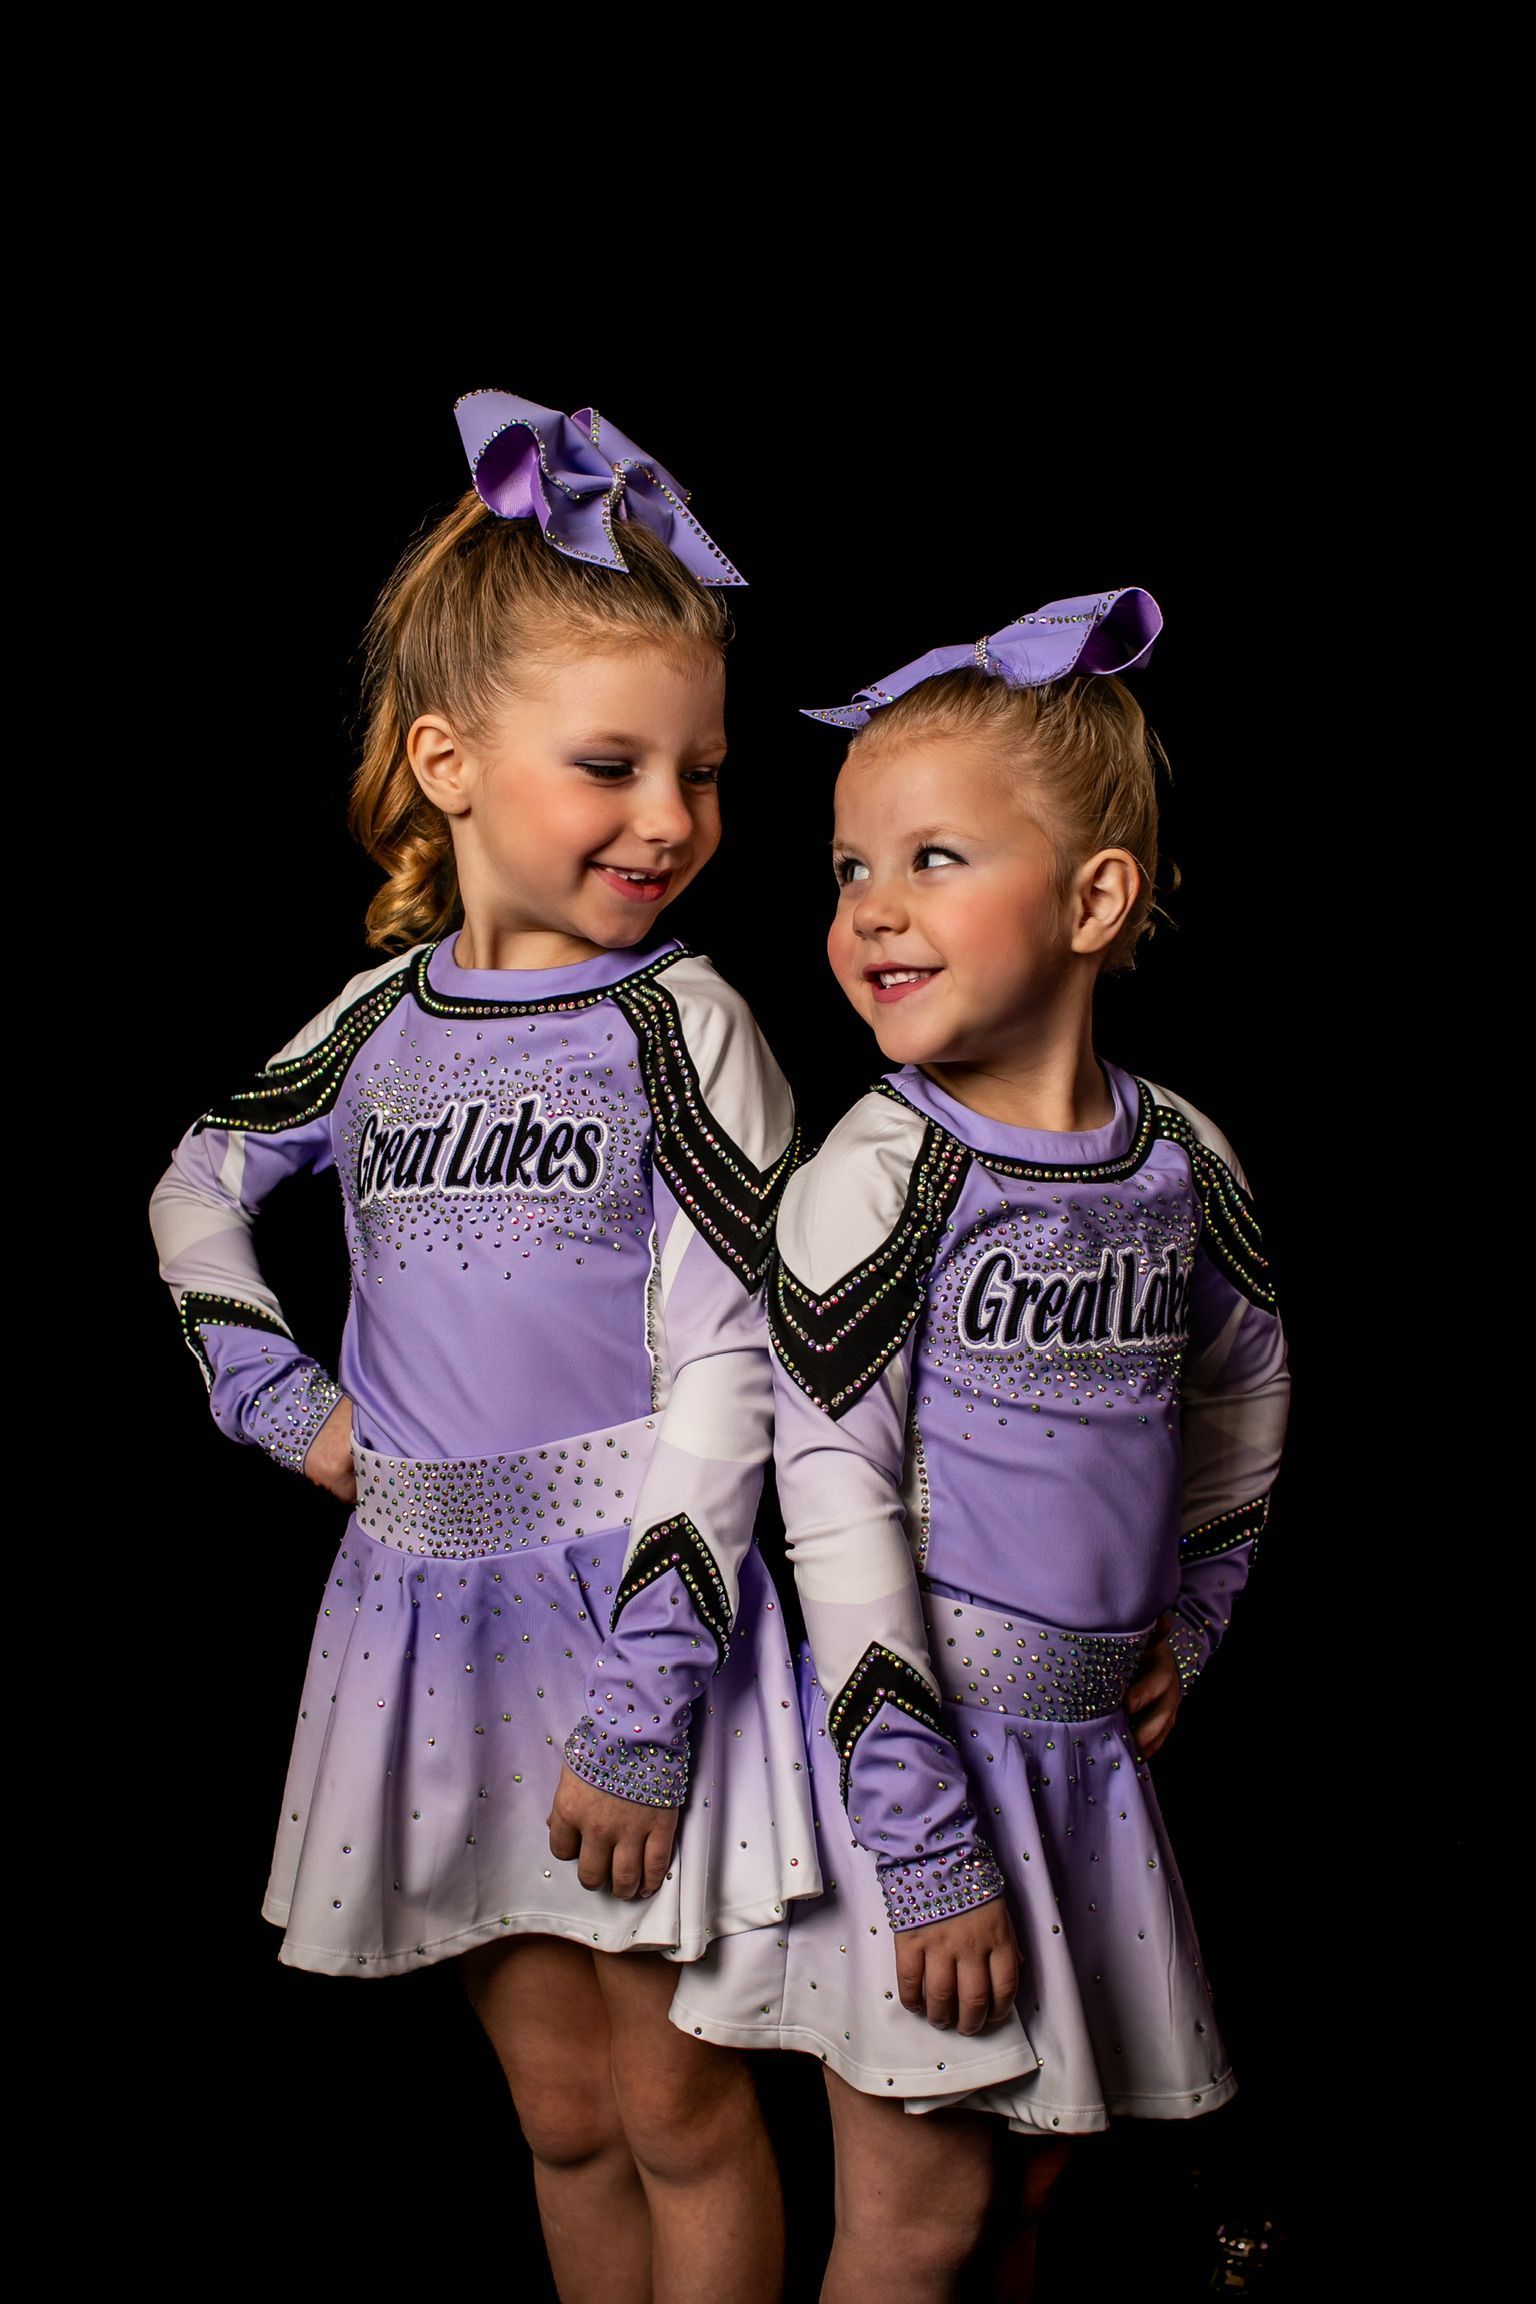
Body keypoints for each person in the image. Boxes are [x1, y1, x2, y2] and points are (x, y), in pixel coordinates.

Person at [149, 392, 818, 2304]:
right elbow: (196, 1184)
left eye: (699, 772)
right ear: (448, 762)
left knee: (686, 2109)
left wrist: (646, 1696)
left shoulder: (687, 1024)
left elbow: (737, 1367)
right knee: (560, 2113)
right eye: (610, 765)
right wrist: (285, 1405)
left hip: (635, 1612)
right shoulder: (374, 1023)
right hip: (431, 1608)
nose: (670, 819)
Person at [670, 589, 1290, 2301]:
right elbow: (832, 1504)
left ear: (1092, 899)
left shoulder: (1180, 1160)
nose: (869, 911)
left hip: (1087, 1768)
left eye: (931, 859)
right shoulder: (879, 1177)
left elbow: (1241, 1386)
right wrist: (922, 1832)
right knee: (921, 2220)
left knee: (1029, 2207)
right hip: (917, 1763)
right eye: (850, 870)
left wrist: (1199, 1611)